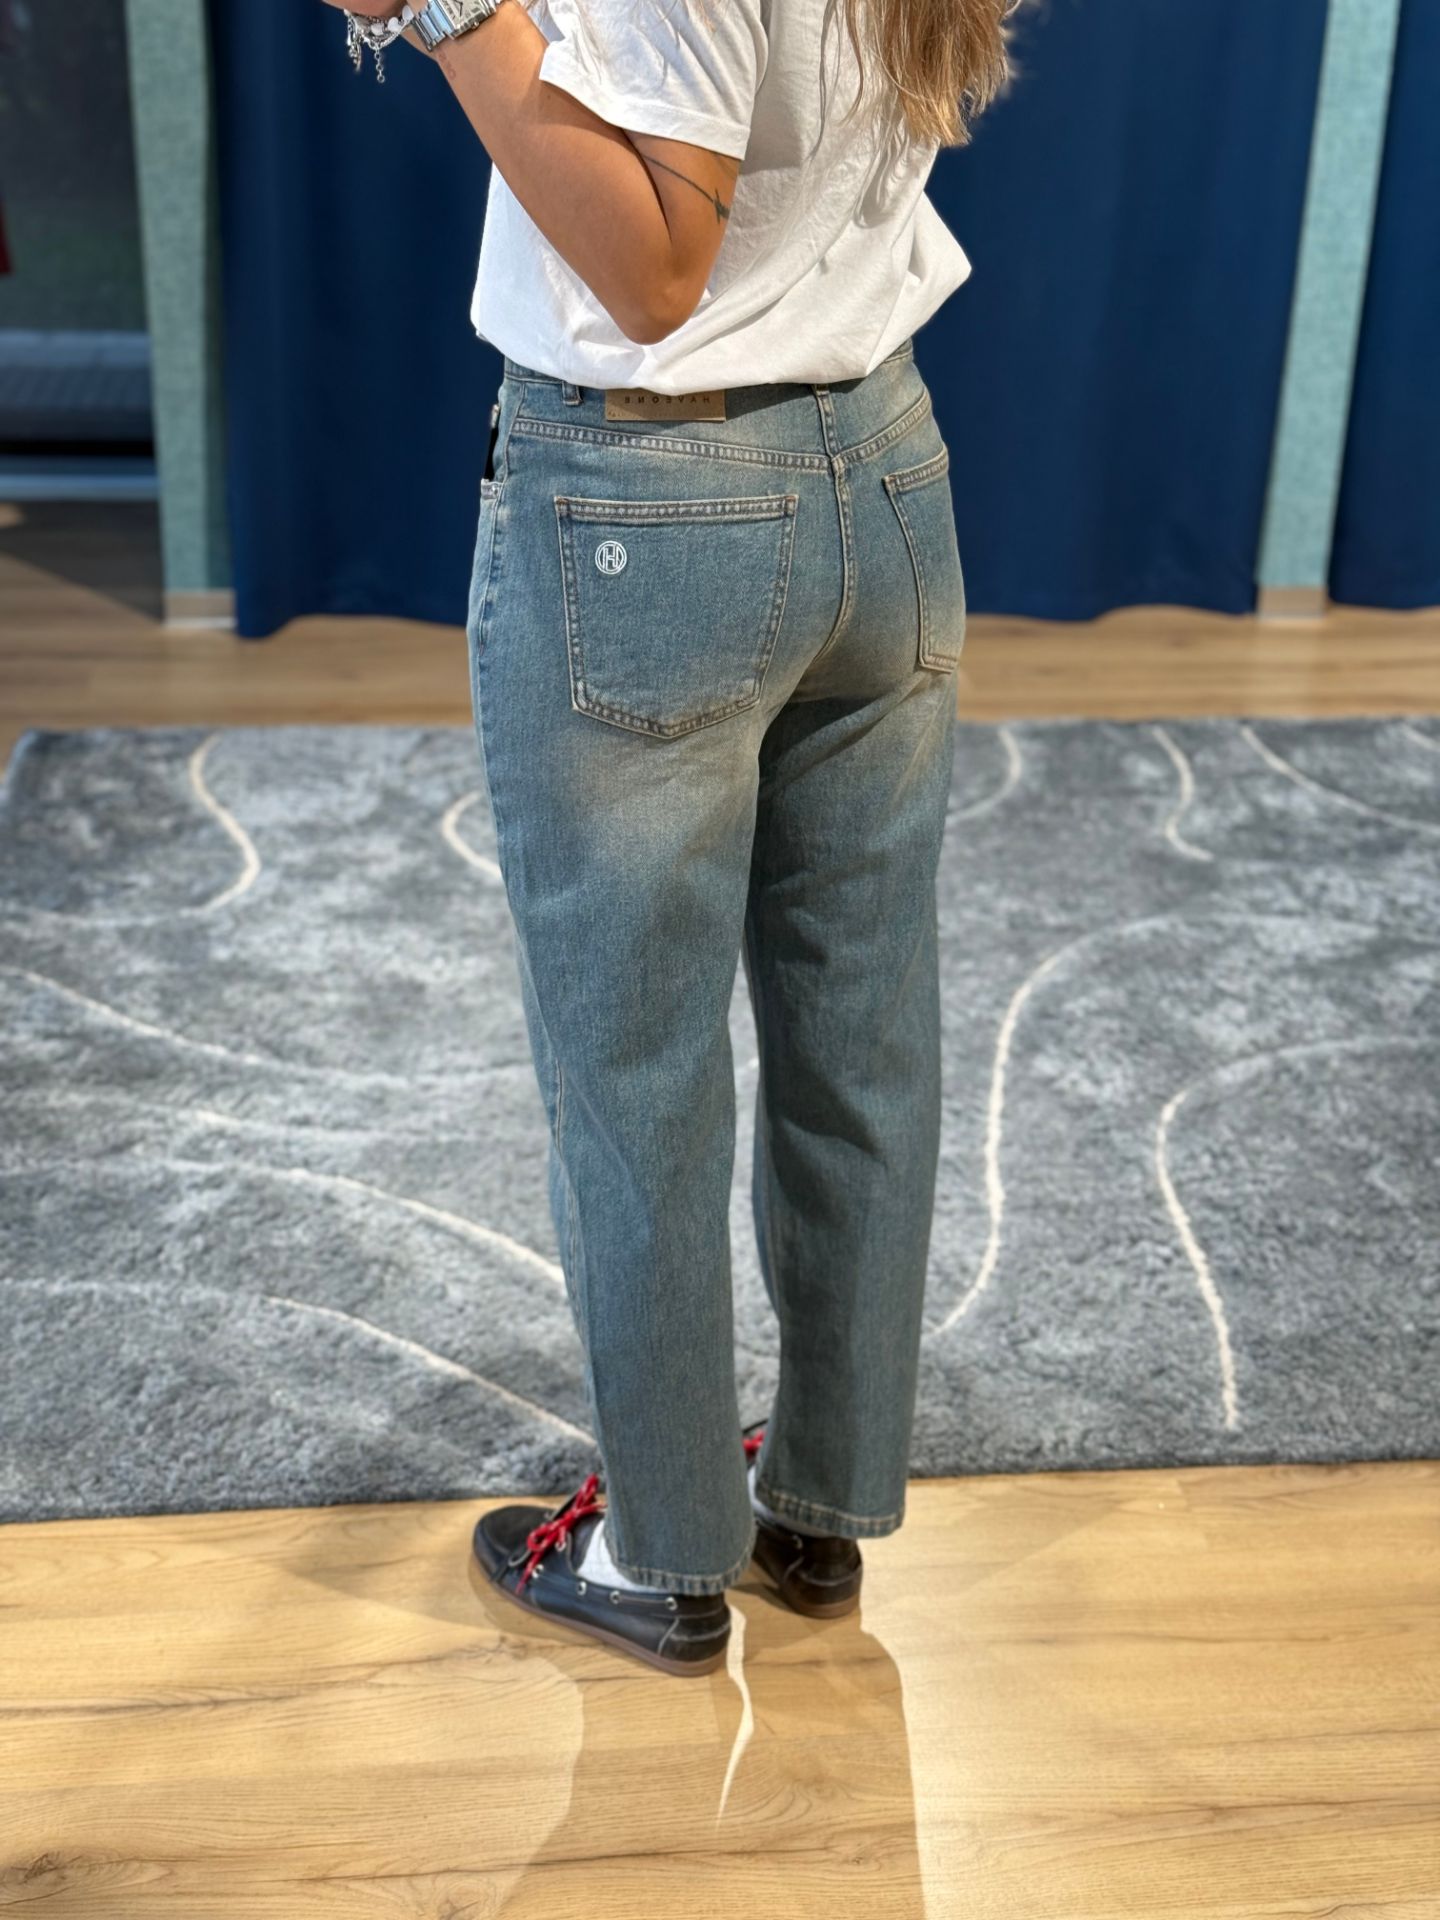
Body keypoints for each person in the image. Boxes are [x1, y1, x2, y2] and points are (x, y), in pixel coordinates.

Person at [329, 0, 1014, 1676]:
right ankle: (821, 1511)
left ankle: (660, 1558)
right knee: (862, 1044)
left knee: (634, 1072)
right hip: (885, 472)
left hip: (659, 507)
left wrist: (440, 15)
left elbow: (653, 275)